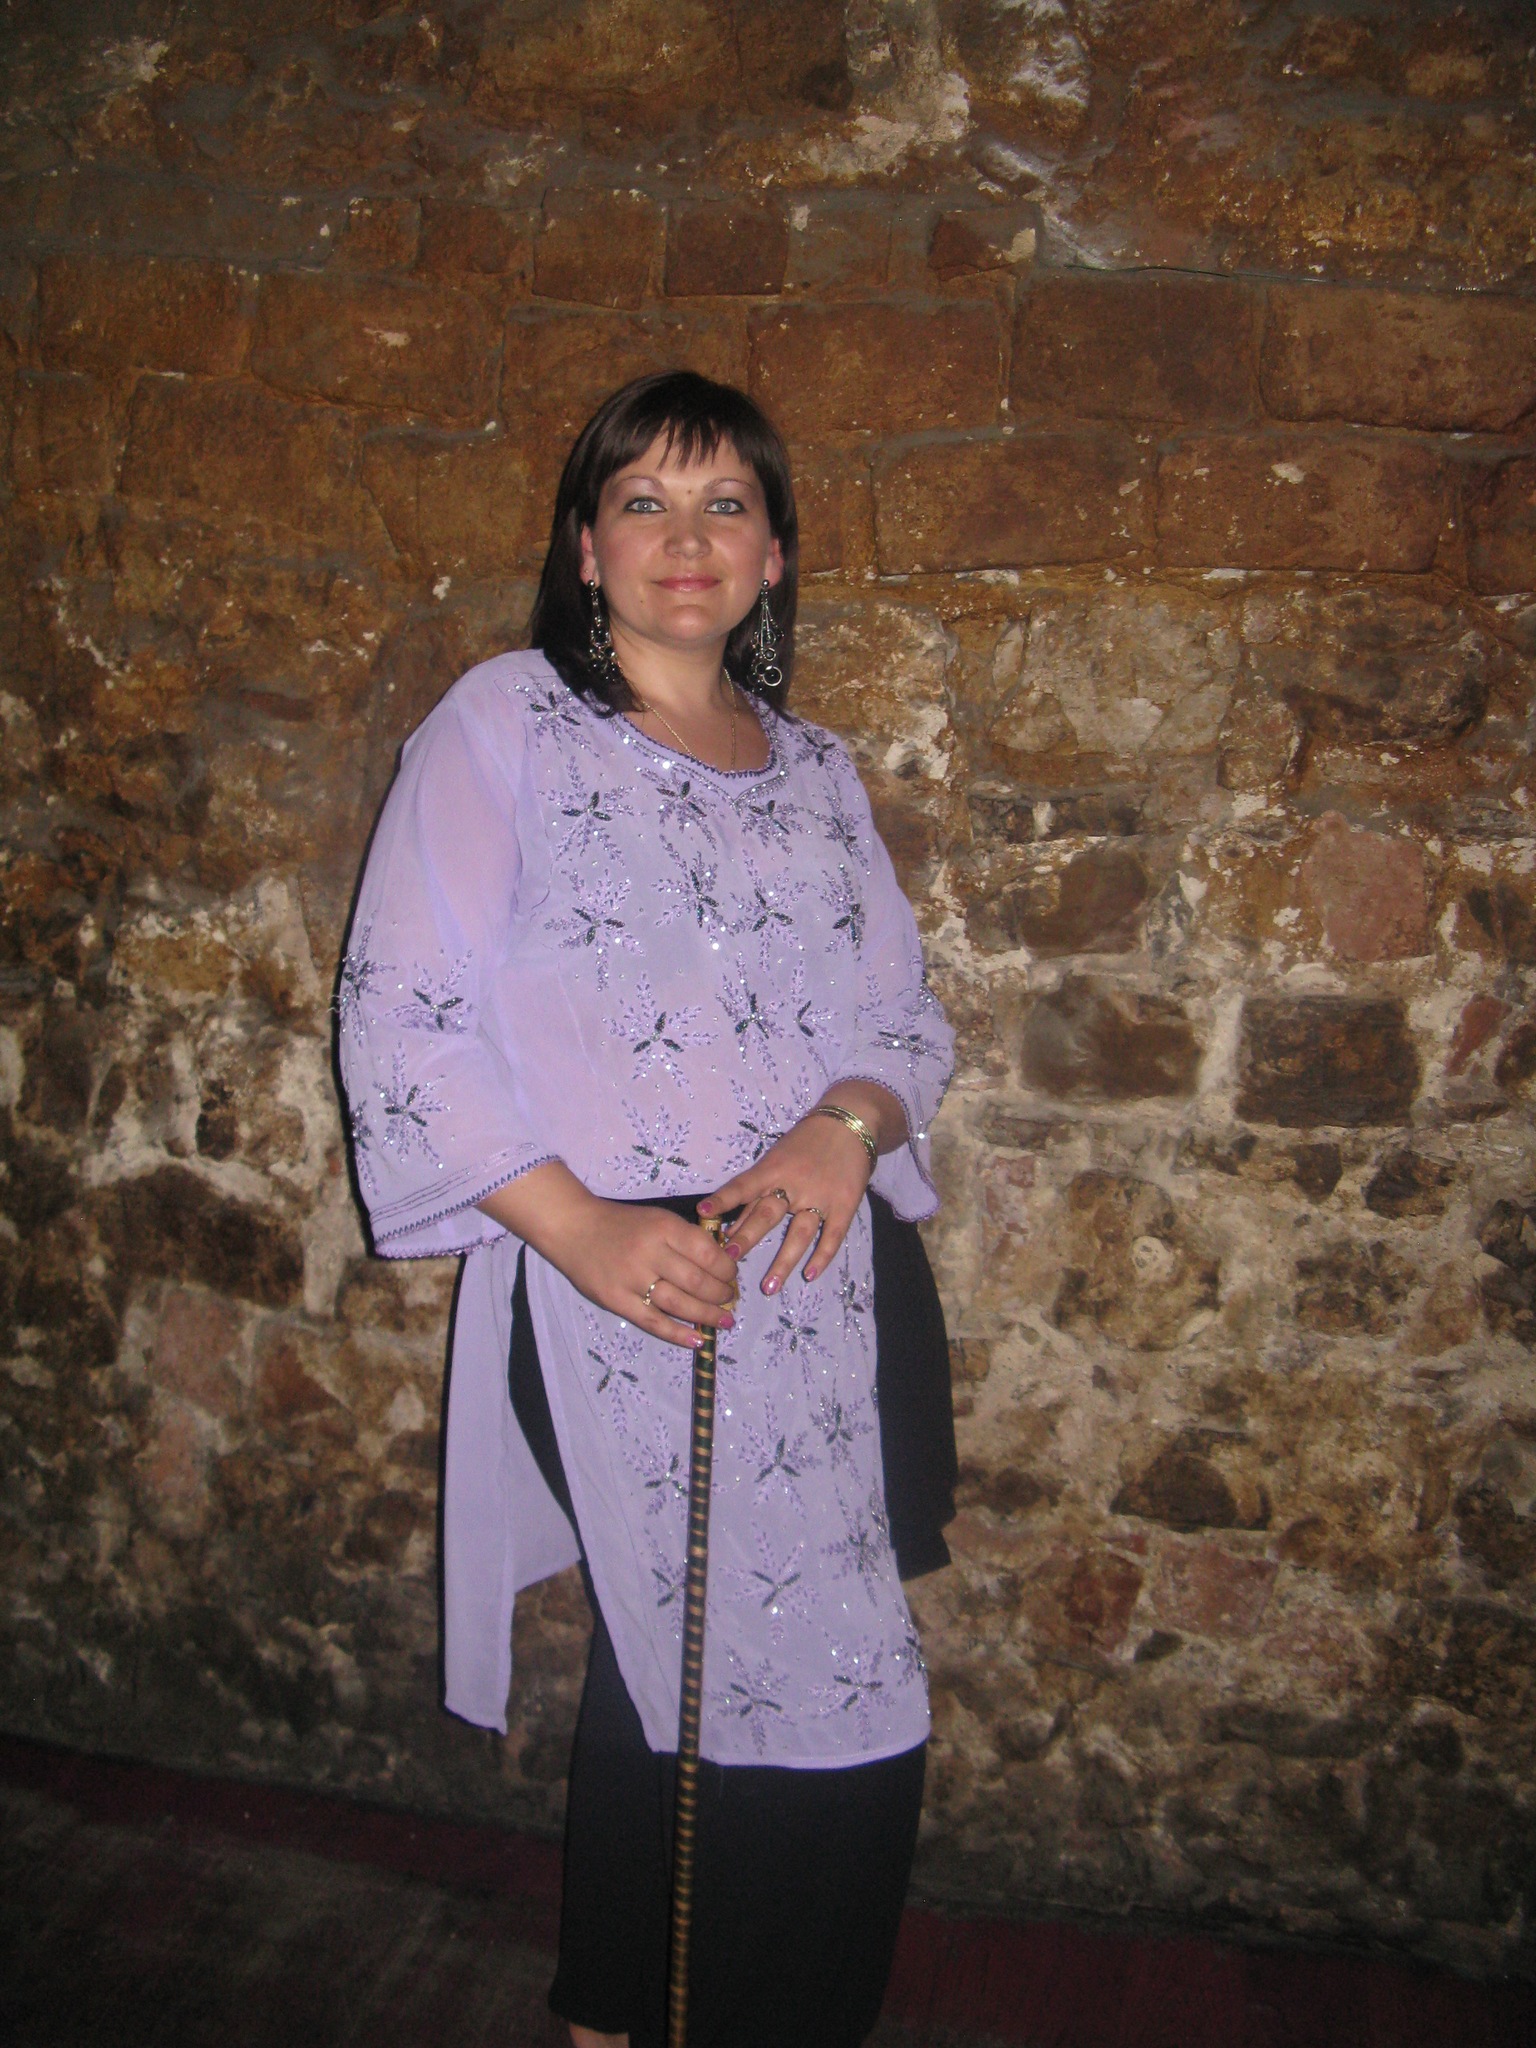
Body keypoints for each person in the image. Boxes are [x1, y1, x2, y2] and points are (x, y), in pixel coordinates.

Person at [336, 370, 955, 2048]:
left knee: (687, 1657)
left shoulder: (818, 771)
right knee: (763, 1676)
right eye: (645, 503)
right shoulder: (502, 726)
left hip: (826, 1284)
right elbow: (402, 1024)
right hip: (621, 1282)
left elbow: (904, 1017)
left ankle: (628, 2017)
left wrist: (846, 1125)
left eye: (726, 504)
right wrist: (585, 1229)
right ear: (586, 549)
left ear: (774, 554)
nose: (688, 538)